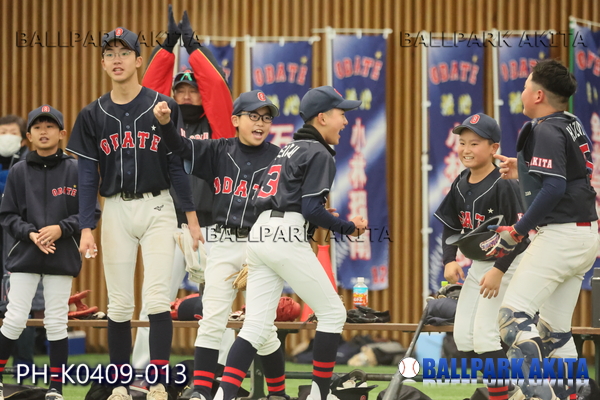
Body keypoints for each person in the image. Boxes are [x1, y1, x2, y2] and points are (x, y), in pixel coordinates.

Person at [203, 86, 368, 400]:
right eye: (341, 114)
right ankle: (319, 395)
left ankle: (222, 397)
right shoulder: (320, 152)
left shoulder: (289, 148)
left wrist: (312, 220)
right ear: (322, 117)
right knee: (333, 313)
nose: (345, 121)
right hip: (285, 235)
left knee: (255, 327)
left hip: (260, 233)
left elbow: (297, 205)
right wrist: (349, 227)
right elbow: (311, 209)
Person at [66, 27, 201, 400]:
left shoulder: (163, 105)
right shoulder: (92, 114)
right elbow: (88, 175)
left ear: (139, 60)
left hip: (158, 206)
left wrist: (190, 218)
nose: (117, 59)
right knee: (121, 302)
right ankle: (120, 385)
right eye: (110, 53)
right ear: (103, 62)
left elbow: (177, 167)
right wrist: (86, 227)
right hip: (116, 209)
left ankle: (156, 383)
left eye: (124, 53)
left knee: (156, 298)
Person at [153, 89, 289, 400]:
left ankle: (278, 394)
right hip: (224, 241)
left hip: (262, 245)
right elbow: (180, 147)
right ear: (235, 120)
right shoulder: (218, 150)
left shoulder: (280, 158)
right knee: (212, 317)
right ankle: (202, 391)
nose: (260, 123)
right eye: (253, 116)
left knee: (263, 326)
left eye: (266, 118)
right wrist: (165, 124)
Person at [132, 6, 236, 371]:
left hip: (214, 226)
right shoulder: (159, 124)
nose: (188, 95)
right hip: (168, 224)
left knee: (218, 302)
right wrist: (167, 47)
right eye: (181, 90)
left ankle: (222, 372)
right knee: (155, 297)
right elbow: (148, 90)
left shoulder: (221, 128)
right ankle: (143, 371)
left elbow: (218, 87)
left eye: (194, 90)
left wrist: (191, 45)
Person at [490, 59, 600, 400]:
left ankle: (541, 396)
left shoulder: (546, 129)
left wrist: (517, 231)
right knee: (555, 333)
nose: (522, 92)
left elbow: (554, 187)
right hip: (585, 235)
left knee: (512, 318)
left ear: (538, 95)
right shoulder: (571, 122)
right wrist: (522, 169)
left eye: (525, 87)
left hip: (561, 236)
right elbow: (569, 175)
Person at [0, 105, 100, 400]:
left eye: (50, 126)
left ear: (62, 133)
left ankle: (56, 388)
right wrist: (31, 234)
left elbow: (91, 212)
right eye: (38, 127)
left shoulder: (76, 169)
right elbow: (7, 215)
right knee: (15, 318)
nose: (44, 132)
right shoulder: (18, 171)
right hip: (25, 254)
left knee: (56, 321)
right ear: (29, 136)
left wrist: (60, 229)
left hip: (61, 254)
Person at [434, 113, 528, 400]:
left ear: (493, 148)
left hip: (508, 263)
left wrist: (499, 270)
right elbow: (451, 224)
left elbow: (520, 235)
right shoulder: (461, 182)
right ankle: (512, 390)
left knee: (486, 335)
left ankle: (505, 394)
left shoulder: (504, 183)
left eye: (474, 143)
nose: (466, 149)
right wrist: (449, 259)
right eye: (462, 142)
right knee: (464, 337)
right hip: (480, 264)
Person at [0, 114, 45, 370]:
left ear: (23, 138)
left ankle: (24, 365)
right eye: (2, 132)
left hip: (20, 235)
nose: (6, 137)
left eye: (11, 132)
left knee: (20, 302)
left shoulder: (30, 162)